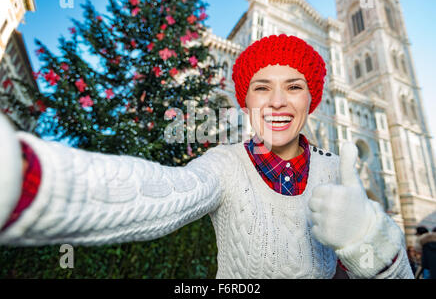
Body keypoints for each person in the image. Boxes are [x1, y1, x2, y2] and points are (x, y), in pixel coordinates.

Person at [0, 34, 414, 279]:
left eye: (294, 86)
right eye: (261, 87)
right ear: (244, 100)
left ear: (313, 99)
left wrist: (368, 237)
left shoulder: (337, 170)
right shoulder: (226, 164)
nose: (277, 102)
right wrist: (25, 179)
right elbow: (162, 193)